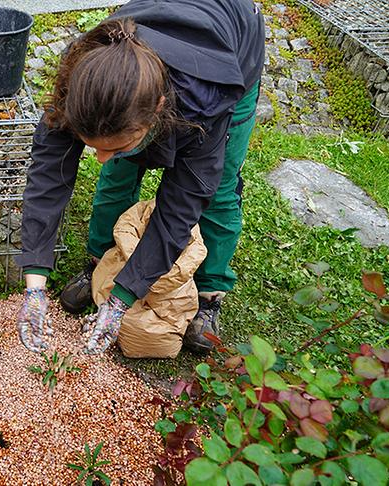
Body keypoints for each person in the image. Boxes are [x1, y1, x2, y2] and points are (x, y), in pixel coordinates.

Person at [15, 0, 265, 355]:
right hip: (157, 45)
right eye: (93, 147)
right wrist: (35, 284)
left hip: (230, 53)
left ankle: (210, 293)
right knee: (117, 173)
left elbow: (179, 208)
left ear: (158, 109)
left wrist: (121, 302)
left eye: (114, 145)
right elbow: (47, 178)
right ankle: (101, 264)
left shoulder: (208, 101)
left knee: (219, 190)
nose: (98, 159)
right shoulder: (85, 76)